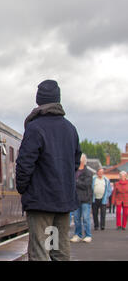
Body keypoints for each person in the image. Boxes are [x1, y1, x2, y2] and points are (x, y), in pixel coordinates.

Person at [16, 79, 81, 261]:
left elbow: (24, 163)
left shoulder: (35, 128)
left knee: (40, 251)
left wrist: (23, 188)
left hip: (41, 202)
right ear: (57, 99)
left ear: (39, 100)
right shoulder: (70, 129)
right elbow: (75, 162)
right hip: (63, 201)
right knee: (59, 251)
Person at [70, 154, 93, 243]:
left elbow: (86, 185)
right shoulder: (74, 171)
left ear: (82, 161)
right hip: (76, 198)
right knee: (76, 218)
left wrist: (76, 182)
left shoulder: (88, 173)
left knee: (86, 218)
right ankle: (78, 234)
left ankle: (88, 235)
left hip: (85, 199)